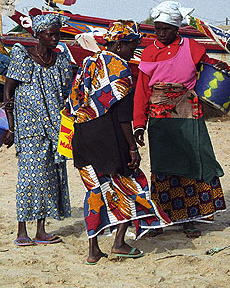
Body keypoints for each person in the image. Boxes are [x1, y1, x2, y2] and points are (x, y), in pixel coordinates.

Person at [69, 20, 171, 265]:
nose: (134, 49)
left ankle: (93, 249)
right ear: (120, 44)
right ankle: (119, 243)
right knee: (128, 186)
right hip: (109, 138)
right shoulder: (121, 69)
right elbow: (124, 116)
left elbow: (74, 100)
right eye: (132, 45)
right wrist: (132, 148)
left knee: (95, 191)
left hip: (82, 136)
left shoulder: (88, 62)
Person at [133, 1, 226, 238]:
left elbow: (209, 71)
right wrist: (138, 124)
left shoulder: (192, 47)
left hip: (189, 113)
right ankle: (162, 217)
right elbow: (142, 91)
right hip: (159, 118)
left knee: (192, 160)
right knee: (164, 166)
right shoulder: (149, 51)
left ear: (177, 29)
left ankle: (190, 218)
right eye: (157, 29)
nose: (161, 33)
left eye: (166, 29)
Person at [3, 13, 74, 246]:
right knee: (29, 178)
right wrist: (11, 127)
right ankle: (21, 230)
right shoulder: (24, 59)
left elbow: (66, 95)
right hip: (29, 128)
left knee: (49, 177)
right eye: (50, 34)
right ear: (38, 34)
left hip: (55, 128)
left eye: (57, 34)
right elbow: (8, 92)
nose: (55, 38)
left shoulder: (61, 63)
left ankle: (41, 231)